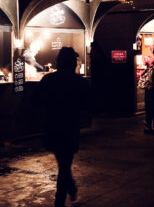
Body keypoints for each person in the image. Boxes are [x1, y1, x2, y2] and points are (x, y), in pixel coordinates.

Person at [33, 47, 90, 207]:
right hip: (70, 127)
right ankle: (63, 197)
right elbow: (89, 104)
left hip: (52, 126)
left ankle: (68, 192)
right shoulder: (79, 82)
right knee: (65, 164)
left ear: (58, 62)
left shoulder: (48, 80)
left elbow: (35, 100)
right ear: (73, 63)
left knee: (63, 163)